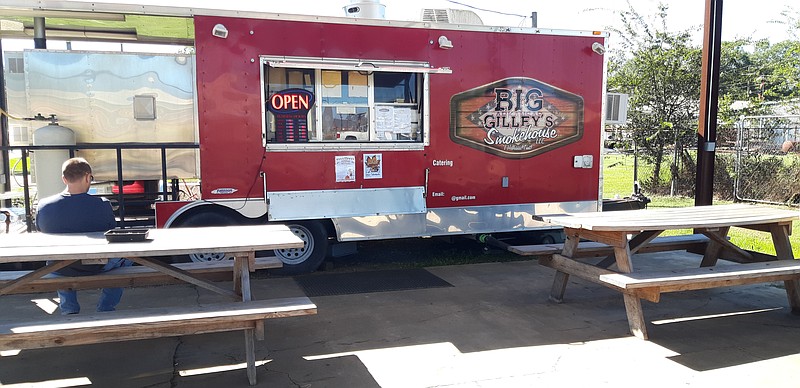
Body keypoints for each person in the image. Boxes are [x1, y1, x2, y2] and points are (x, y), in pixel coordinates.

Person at [35, 157, 132, 315]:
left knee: (59, 261)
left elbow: (41, 229)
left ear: (64, 179)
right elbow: (111, 233)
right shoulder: (102, 204)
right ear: (88, 177)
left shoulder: (44, 206)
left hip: (59, 267)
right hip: (96, 265)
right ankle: (106, 308)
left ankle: (69, 309)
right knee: (126, 260)